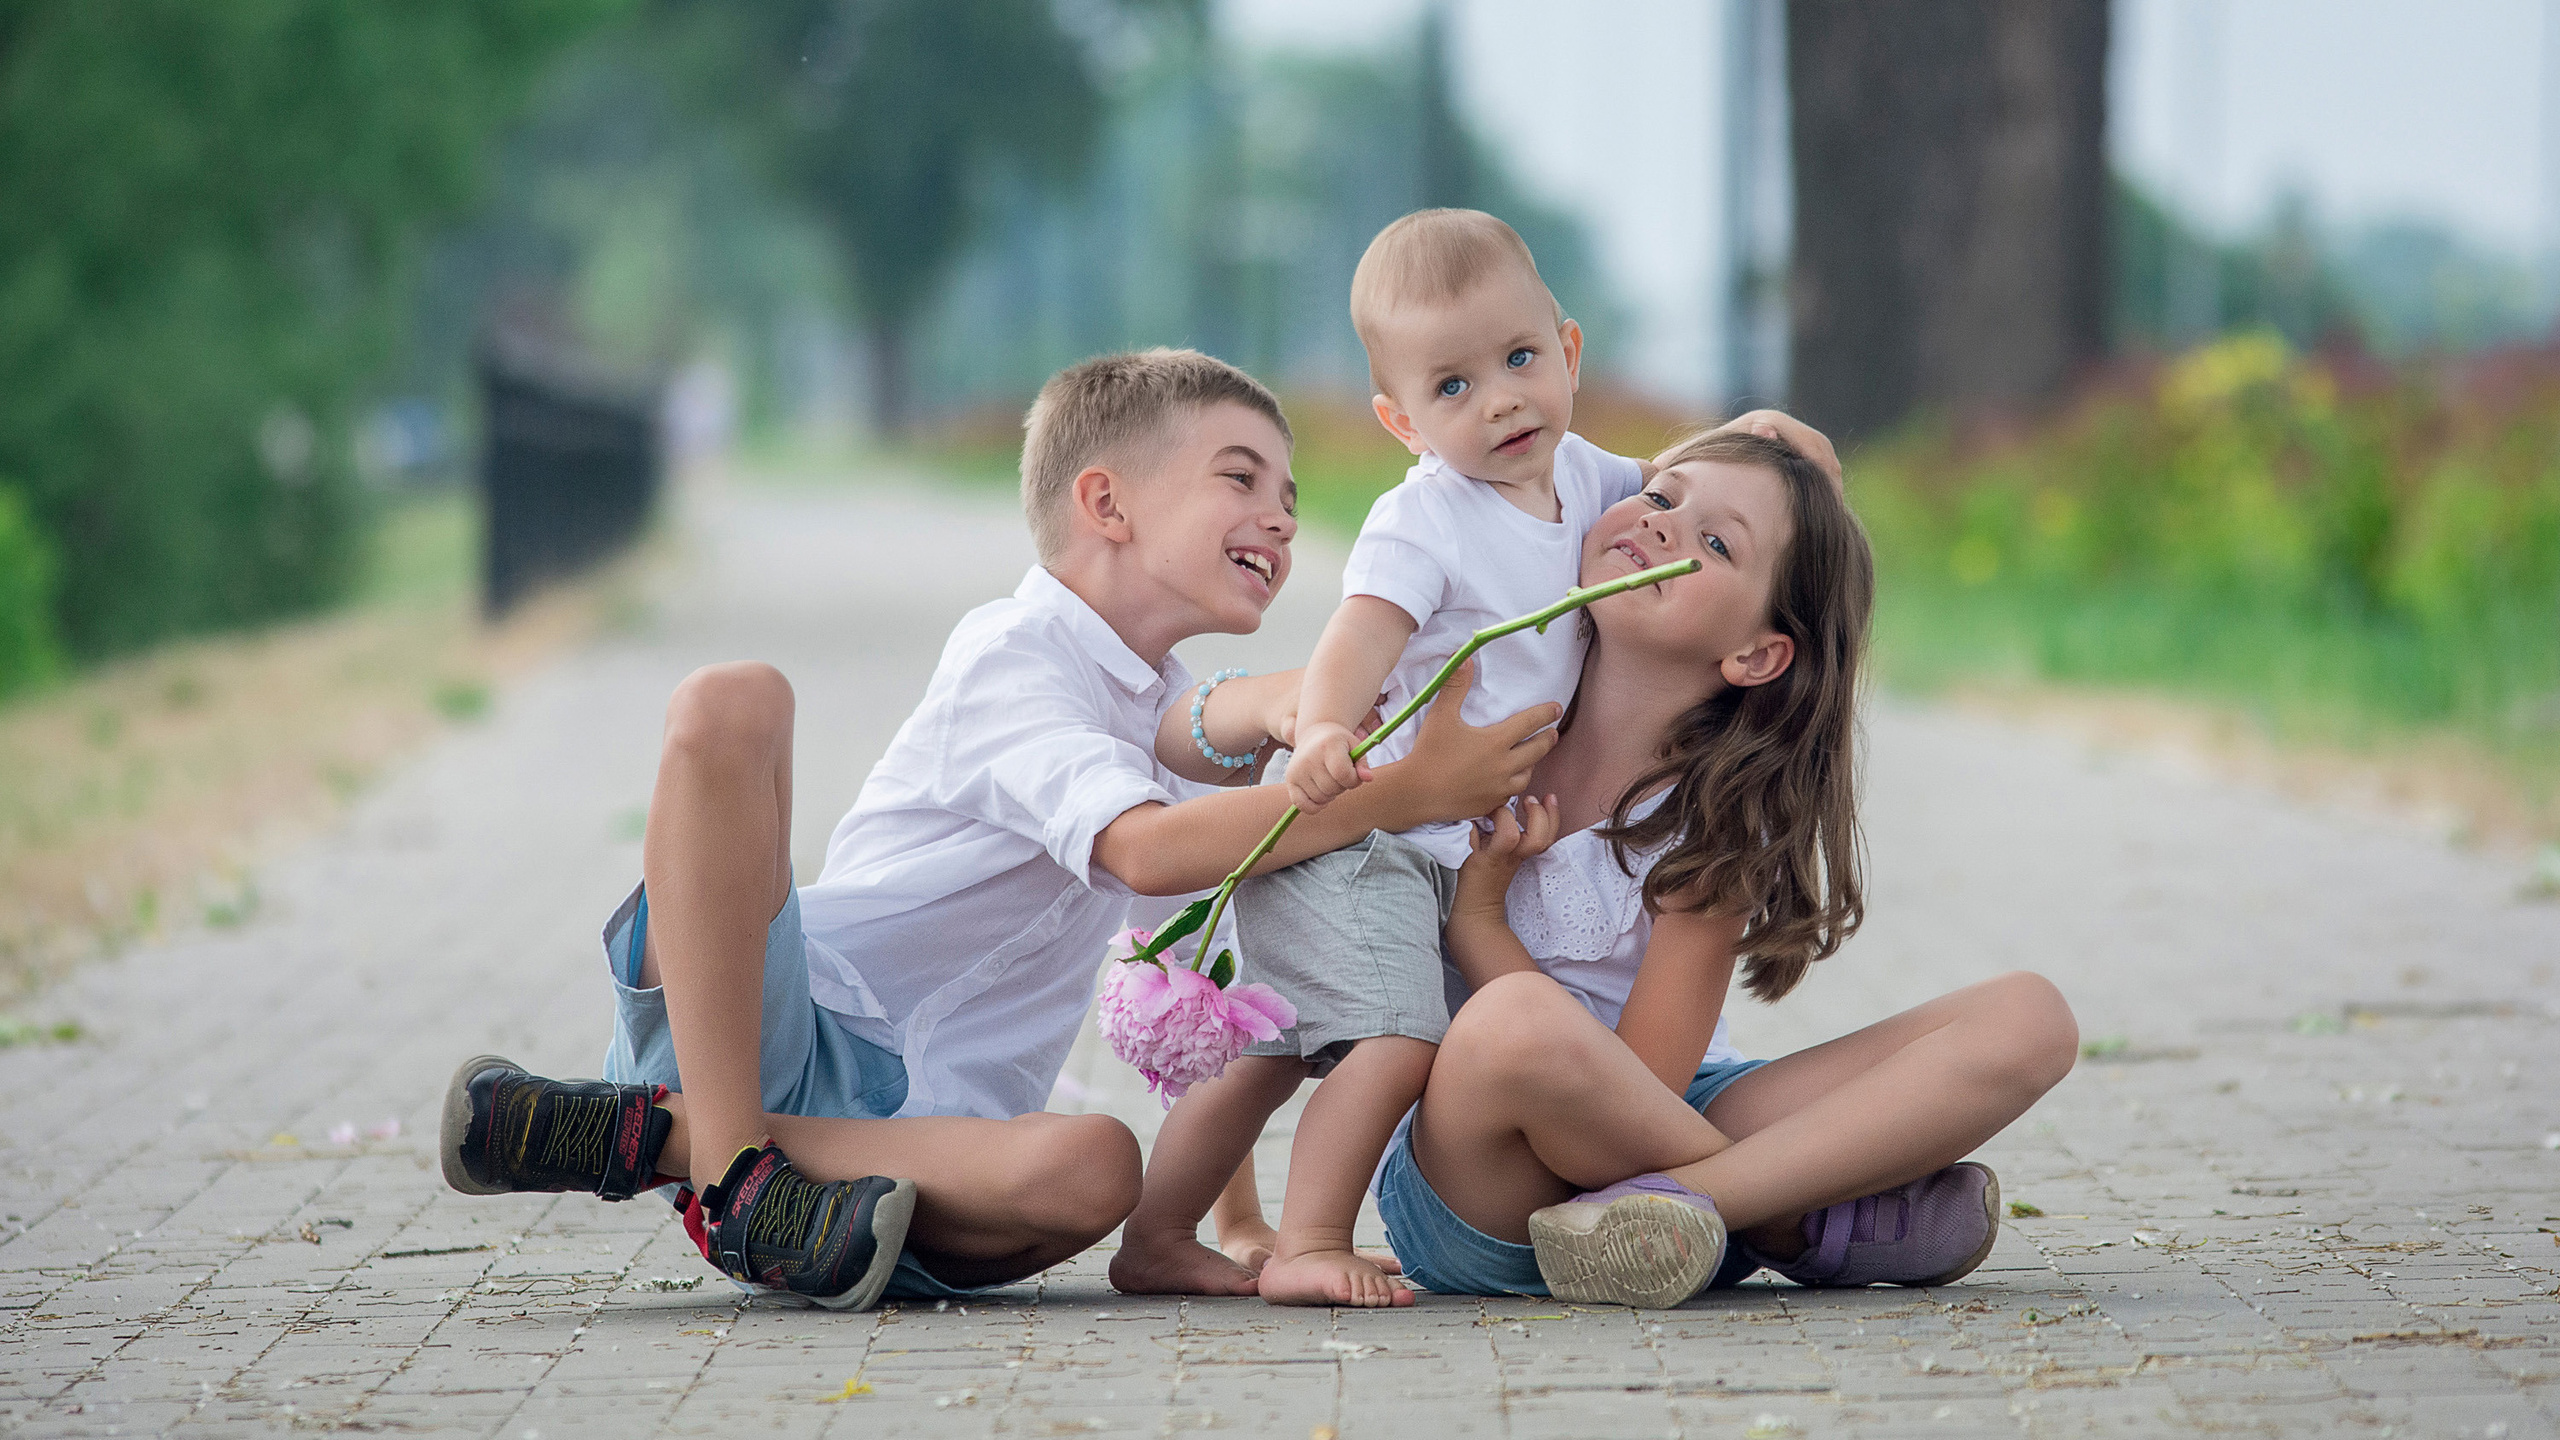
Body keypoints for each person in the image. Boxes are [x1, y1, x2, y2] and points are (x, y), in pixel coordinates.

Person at [435, 349, 1560, 1310]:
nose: (1281, 513)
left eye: (1291, 493)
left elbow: (1217, 978)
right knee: (733, 700)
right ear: (1106, 504)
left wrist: (1240, 1220)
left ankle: (653, 1140)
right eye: (1240, 478)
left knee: (1095, 1166)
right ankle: (728, 1163)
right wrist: (1404, 795)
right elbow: (1142, 851)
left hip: (914, 1161)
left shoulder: (1156, 702)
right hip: (770, 1027)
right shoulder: (1011, 656)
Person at [1377, 425, 2081, 1307]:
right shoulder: (1479, 724)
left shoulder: (1708, 827)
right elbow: (1503, 441)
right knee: (1512, 1024)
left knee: (2032, 1018)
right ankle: (1794, 1214)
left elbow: (1643, 1079)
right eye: (1661, 499)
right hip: (1484, 1182)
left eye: (1715, 544)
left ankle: (1703, 1208)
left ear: (1755, 654)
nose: (1663, 527)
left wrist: (1480, 924)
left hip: (1657, 1121)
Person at [1110, 209, 1656, 1308]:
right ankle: (1312, 1239)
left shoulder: (1592, 478)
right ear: (1400, 419)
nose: (1500, 399)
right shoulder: (1426, 521)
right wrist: (1319, 732)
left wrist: (1781, 444)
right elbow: (1358, 636)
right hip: (1360, 833)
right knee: (1398, 1041)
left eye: (1518, 359)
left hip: (1423, 843)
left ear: (1569, 350)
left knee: (1275, 1046)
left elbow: (1690, 485)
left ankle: (1158, 1237)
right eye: (1451, 389)